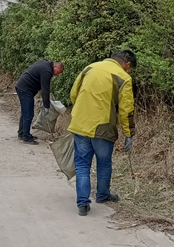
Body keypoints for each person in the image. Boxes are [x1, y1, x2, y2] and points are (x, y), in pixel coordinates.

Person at [68, 50, 136, 216]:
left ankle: (82, 203)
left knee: (82, 164)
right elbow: (126, 110)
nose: (129, 70)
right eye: (130, 68)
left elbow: (74, 94)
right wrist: (128, 133)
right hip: (103, 126)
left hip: (81, 123)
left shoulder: (90, 68)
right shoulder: (124, 77)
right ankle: (102, 195)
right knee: (104, 163)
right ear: (127, 64)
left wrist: (81, 112)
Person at [15, 60, 64, 144]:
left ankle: (22, 133)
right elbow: (45, 90)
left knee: (25, 112)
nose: (57, 75)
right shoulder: (47, 71)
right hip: (25, 89)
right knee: (28, 114)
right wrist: (46, 106)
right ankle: (26, 137)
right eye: (58, 72)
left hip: (23, 87)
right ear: (55, 66)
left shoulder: (45, 64)